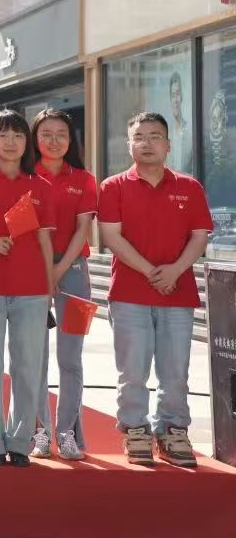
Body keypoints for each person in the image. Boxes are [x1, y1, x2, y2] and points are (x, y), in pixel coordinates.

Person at [99, 112, 212, 467]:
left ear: (168, 144)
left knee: (175, 370)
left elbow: (199, 236)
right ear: (129, 144)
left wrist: (175, 270)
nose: (147, 143)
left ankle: (172, 430)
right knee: (132, 370)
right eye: (139, 137)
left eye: (154, 136)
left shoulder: (189, 187)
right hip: (129, 294)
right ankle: (135, 429)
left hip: (178, 293)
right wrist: (151, 272)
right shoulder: (113, 187)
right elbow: (111, 237)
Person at [0, 109, 55, 467]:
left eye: (18, 135)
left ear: (27, 142)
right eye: (2, 134)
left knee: (27, 365)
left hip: (31, 289)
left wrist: (49, 289)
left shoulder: (41, 186)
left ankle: (20, 441)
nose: (10, 142)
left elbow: (46, 243)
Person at [30, 108, 97, 461]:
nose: (54, 141)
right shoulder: (26, 175)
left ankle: (68, 432)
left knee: (71, 358)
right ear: (35, 138)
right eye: (46, 134)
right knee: (35, 356)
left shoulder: (84, 178)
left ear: (71, 140)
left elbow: (83, 229)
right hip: (31, 270)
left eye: (61, 134)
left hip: (75, 272)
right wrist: (46, 271)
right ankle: (39, 431)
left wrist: (58, 270)